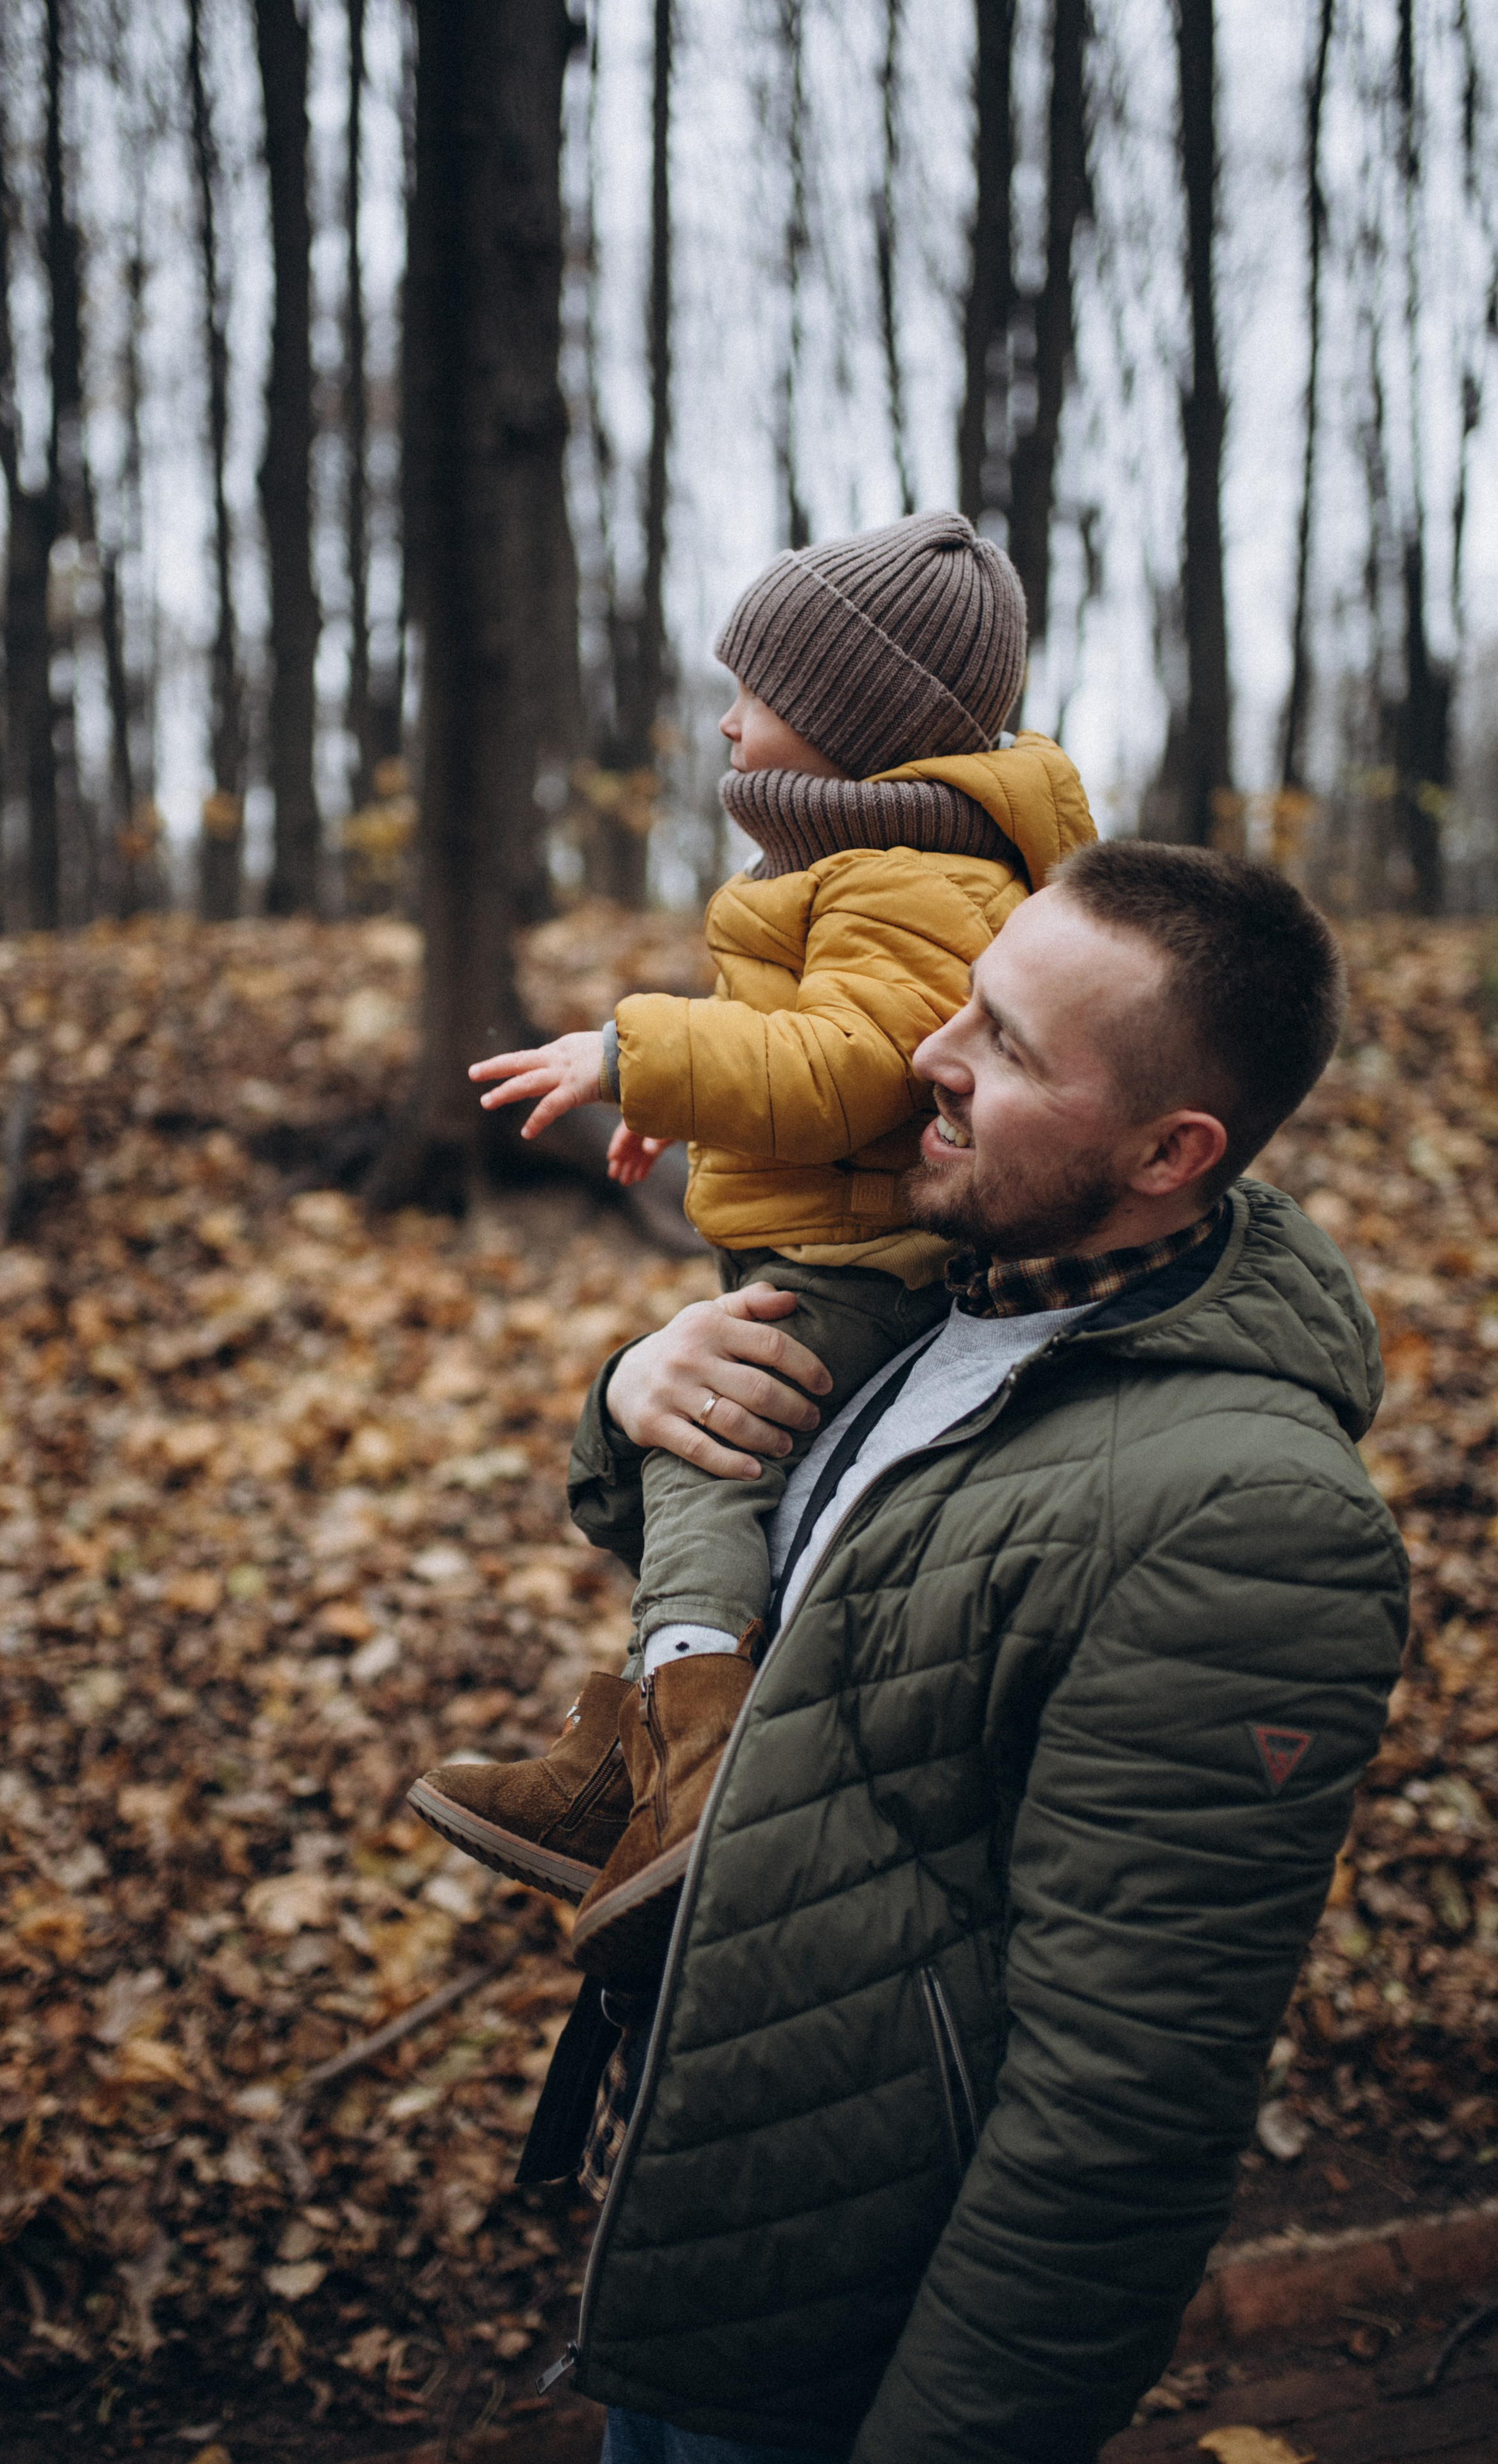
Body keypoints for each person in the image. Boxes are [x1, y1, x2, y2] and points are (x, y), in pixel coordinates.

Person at [536, 842, 1409, 2463]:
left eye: (1004, 1047)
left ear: (1171, 1149)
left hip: (853, 2350)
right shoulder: (944, 1290)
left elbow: (1119, 2120)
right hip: (699, 2230)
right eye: (965, 1003)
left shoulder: (1245, 1522)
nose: (926, 1056)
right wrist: (634, 1398)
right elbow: (832, 1621)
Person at [409, 511, 1095, 1978]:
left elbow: (851, 1065)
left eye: (756, 695)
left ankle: (693, 1763)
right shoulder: (866, 859)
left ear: (853, 719)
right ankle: (634, 1759)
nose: (726, 720)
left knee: (708, 1450)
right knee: (691, 1436)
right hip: (823, 1233)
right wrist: (701, 1108)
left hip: (866, 1271)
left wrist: (634, 1053)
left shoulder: (920, 875)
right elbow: (800, 1059)